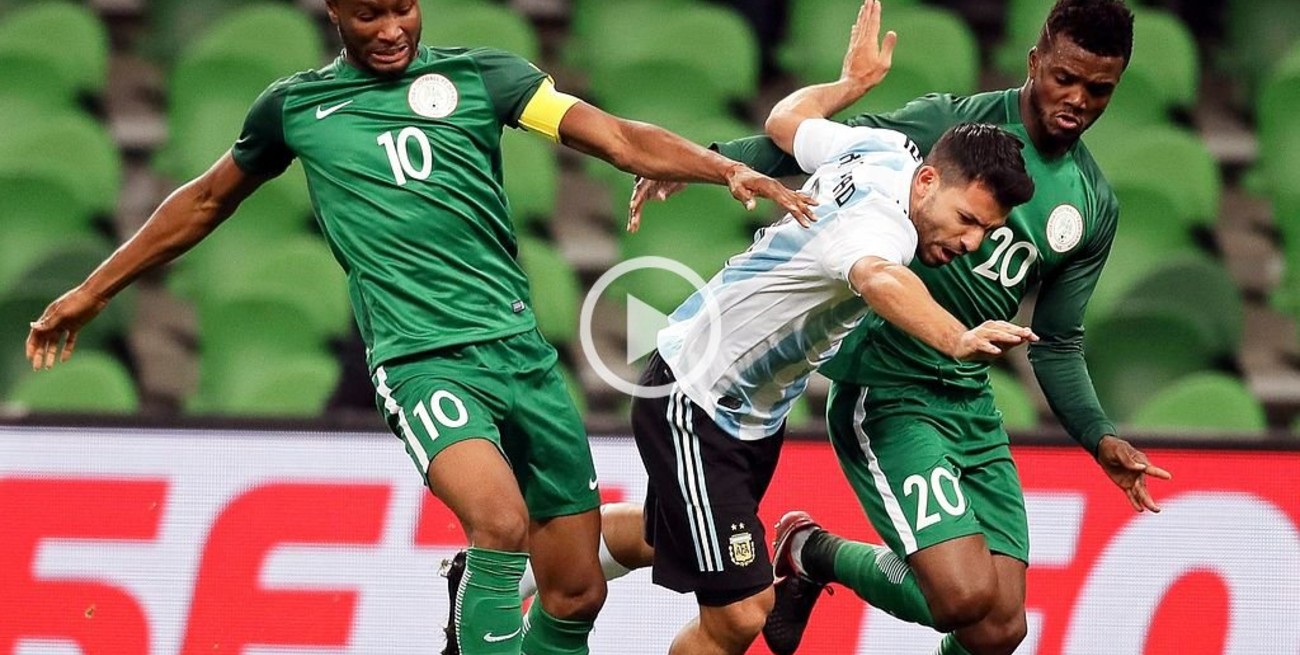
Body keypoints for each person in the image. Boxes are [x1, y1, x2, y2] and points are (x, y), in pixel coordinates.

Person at [22, 2, 817, 654]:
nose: (394, 27)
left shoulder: (484, 76)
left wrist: (724, 166)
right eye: (370, 14)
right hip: (421, 360)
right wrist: (91, 292)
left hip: (520, 355)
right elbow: (201, 201)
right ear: (334, 11)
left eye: (404, 7)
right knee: (498, 524)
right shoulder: (296, 108)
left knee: (574, 587)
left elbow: (611, 136)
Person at [624, 1, 1175, 654]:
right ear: (1035, 63)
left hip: (964, 395)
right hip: (886, 384)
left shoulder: (1092, 203)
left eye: (1099, 89)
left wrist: (1098, 435)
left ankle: (541, 568)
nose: (1077, 100)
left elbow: (1057, 341)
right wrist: (712, 163)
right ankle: (811, 550)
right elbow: (815, 156)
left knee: (999, 627)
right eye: (1065, 78)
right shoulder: (946, 128)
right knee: (950, 597)